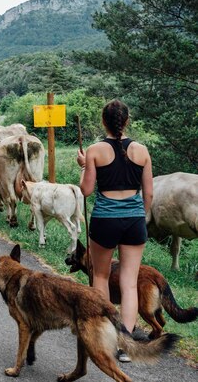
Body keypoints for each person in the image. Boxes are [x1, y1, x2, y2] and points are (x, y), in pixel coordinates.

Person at [77, 99, 153, 363]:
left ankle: (105, 336)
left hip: (105, 221)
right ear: (127, 121)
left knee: (100, 275)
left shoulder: (95, 150)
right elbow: (149, 193)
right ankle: (126, 345)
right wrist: (138, 217)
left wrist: (85, 166)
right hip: (133, 221)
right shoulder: (142, 151)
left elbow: (86, 190)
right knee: (129, 282)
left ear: (103, 122)